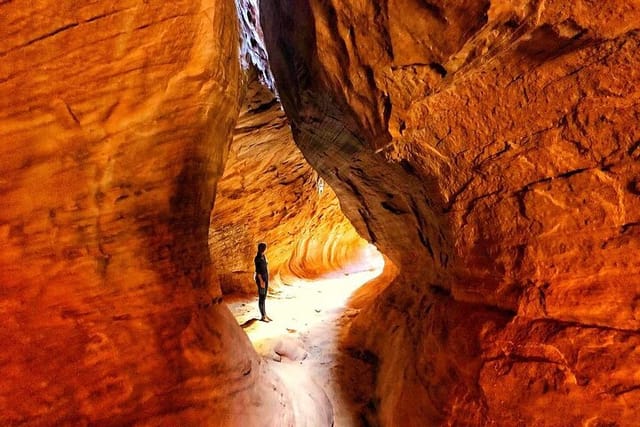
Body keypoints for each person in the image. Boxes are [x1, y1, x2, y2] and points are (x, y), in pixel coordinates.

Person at [254, 242, 271, 322]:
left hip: (265, 278)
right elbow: (258, 272)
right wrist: (261, 281)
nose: (266, 249)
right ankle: (262, 316)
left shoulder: (263, 256)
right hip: (261, 280)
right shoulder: (257, 258)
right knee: (261, 297)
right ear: (263, 249)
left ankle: (265, 314)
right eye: (265, 247)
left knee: (264, 298)